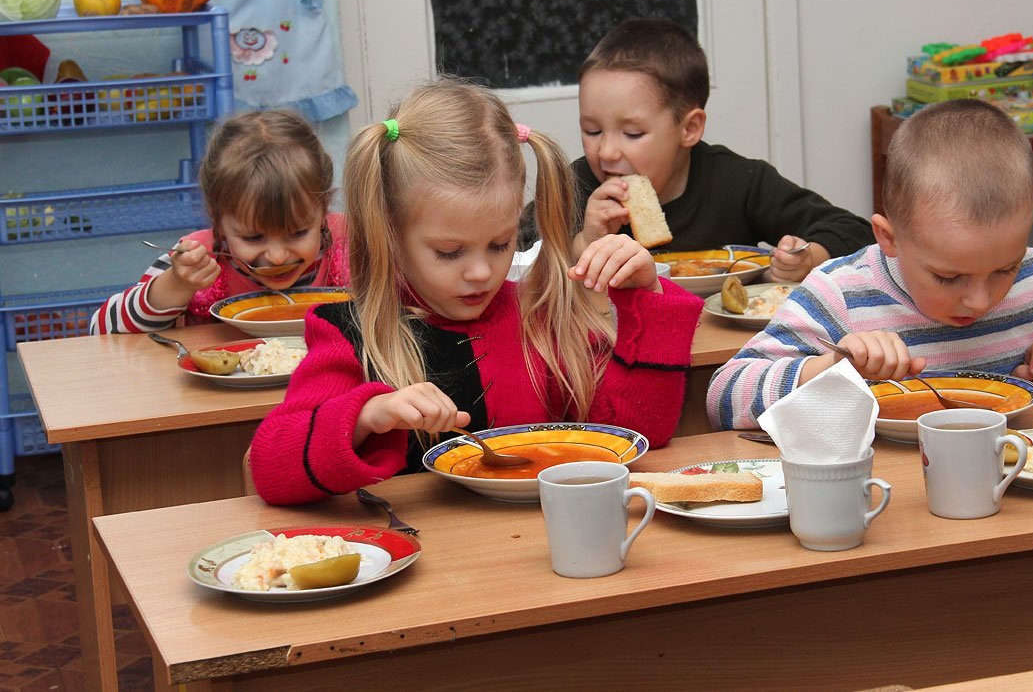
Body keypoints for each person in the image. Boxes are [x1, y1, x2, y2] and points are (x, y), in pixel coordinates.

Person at [249, 79, 704, 506]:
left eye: (501, 244)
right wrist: (368, 415)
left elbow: (637, 434)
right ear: (390, 234)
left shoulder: (541, 316)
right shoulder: (349, 334)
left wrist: (649, 296)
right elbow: (268, 469)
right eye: (450, 252)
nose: (482, 272)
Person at [707, 98, 1033, 429]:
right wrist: (830, 368)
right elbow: (723, 397)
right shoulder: (840, 294)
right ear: (889, 238)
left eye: (1005, 270)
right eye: (948, 277)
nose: (980, 301)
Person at [520, 18, 873, 283]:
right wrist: (584, 241)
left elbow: (854, 231)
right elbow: (510, 257)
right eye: (592, 131)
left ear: (688, 129)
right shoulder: (575, 186)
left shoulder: (737, 181)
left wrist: (808, 258)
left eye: (632, 133)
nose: (607, 151)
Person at [89, 110, 348, 334]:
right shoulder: (195, 258)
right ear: (219, 222)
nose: (277, 257)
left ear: (323, 209)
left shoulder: (353, 243)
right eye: (253, 237)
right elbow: (101, 329)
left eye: (298, 233)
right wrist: (176, 284)